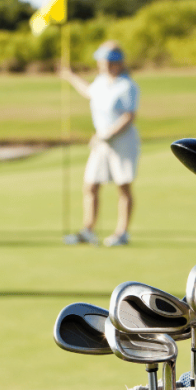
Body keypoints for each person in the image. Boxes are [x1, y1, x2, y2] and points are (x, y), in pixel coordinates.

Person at [59, 41, 140, 247]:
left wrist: (105, 135)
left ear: (116, 63)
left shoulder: (127, 86)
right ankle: (88, 230)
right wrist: (70, 76)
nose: (100, 65)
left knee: (123, 186)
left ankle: (122, 233)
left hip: (122, 142)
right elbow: (88, 91)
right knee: (91, 185)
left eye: (104, 62)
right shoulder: (101, 82)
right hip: (101, 142)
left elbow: (128, 117)